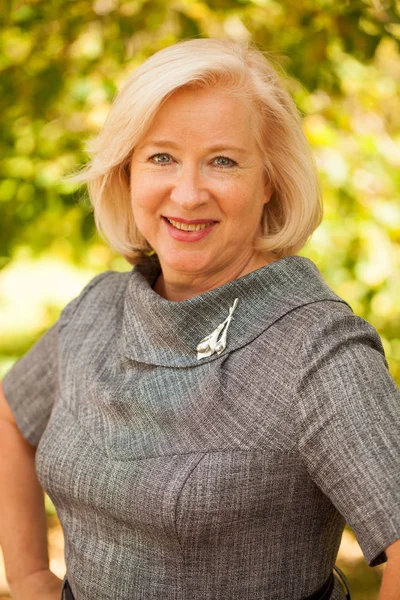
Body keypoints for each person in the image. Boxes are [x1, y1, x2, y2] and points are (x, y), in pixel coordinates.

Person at [0, 38, 399, 600]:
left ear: (269, 181)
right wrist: (29, 580)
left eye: (223, 161)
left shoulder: (316, 349)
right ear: (127, 172)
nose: (186, 194)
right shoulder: (98, 309)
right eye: (161, 157)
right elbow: (10, 417)